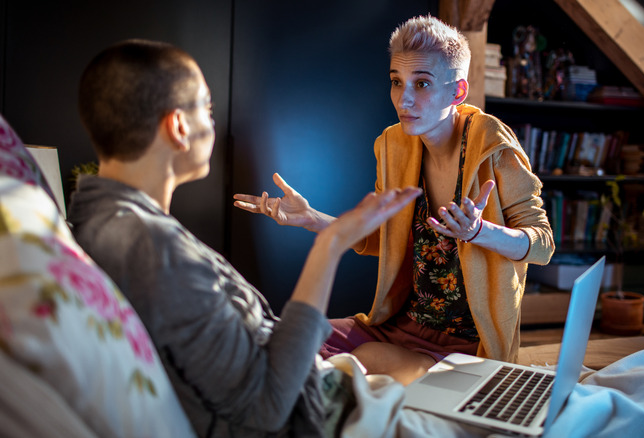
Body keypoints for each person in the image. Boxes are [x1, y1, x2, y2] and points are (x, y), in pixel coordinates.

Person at [68, 38, 487, 438]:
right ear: (178, 126)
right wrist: (331, 244)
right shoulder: (152, 249)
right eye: (206, 108)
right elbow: (270, 405)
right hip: (323, 415)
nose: (213, 121)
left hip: (321, 387)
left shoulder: (96, 219)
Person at [233, 15, 555, 385]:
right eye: (396, 82)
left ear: (458, 92)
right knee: (286, 340)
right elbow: (385, 240)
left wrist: (479, 232)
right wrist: (311, 218)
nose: (404, 99)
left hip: (468, 347)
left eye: (422, 84)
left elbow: (543, 245)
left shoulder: (492, 145)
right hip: (399, 326)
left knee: (365, 361)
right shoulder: (394, 144)